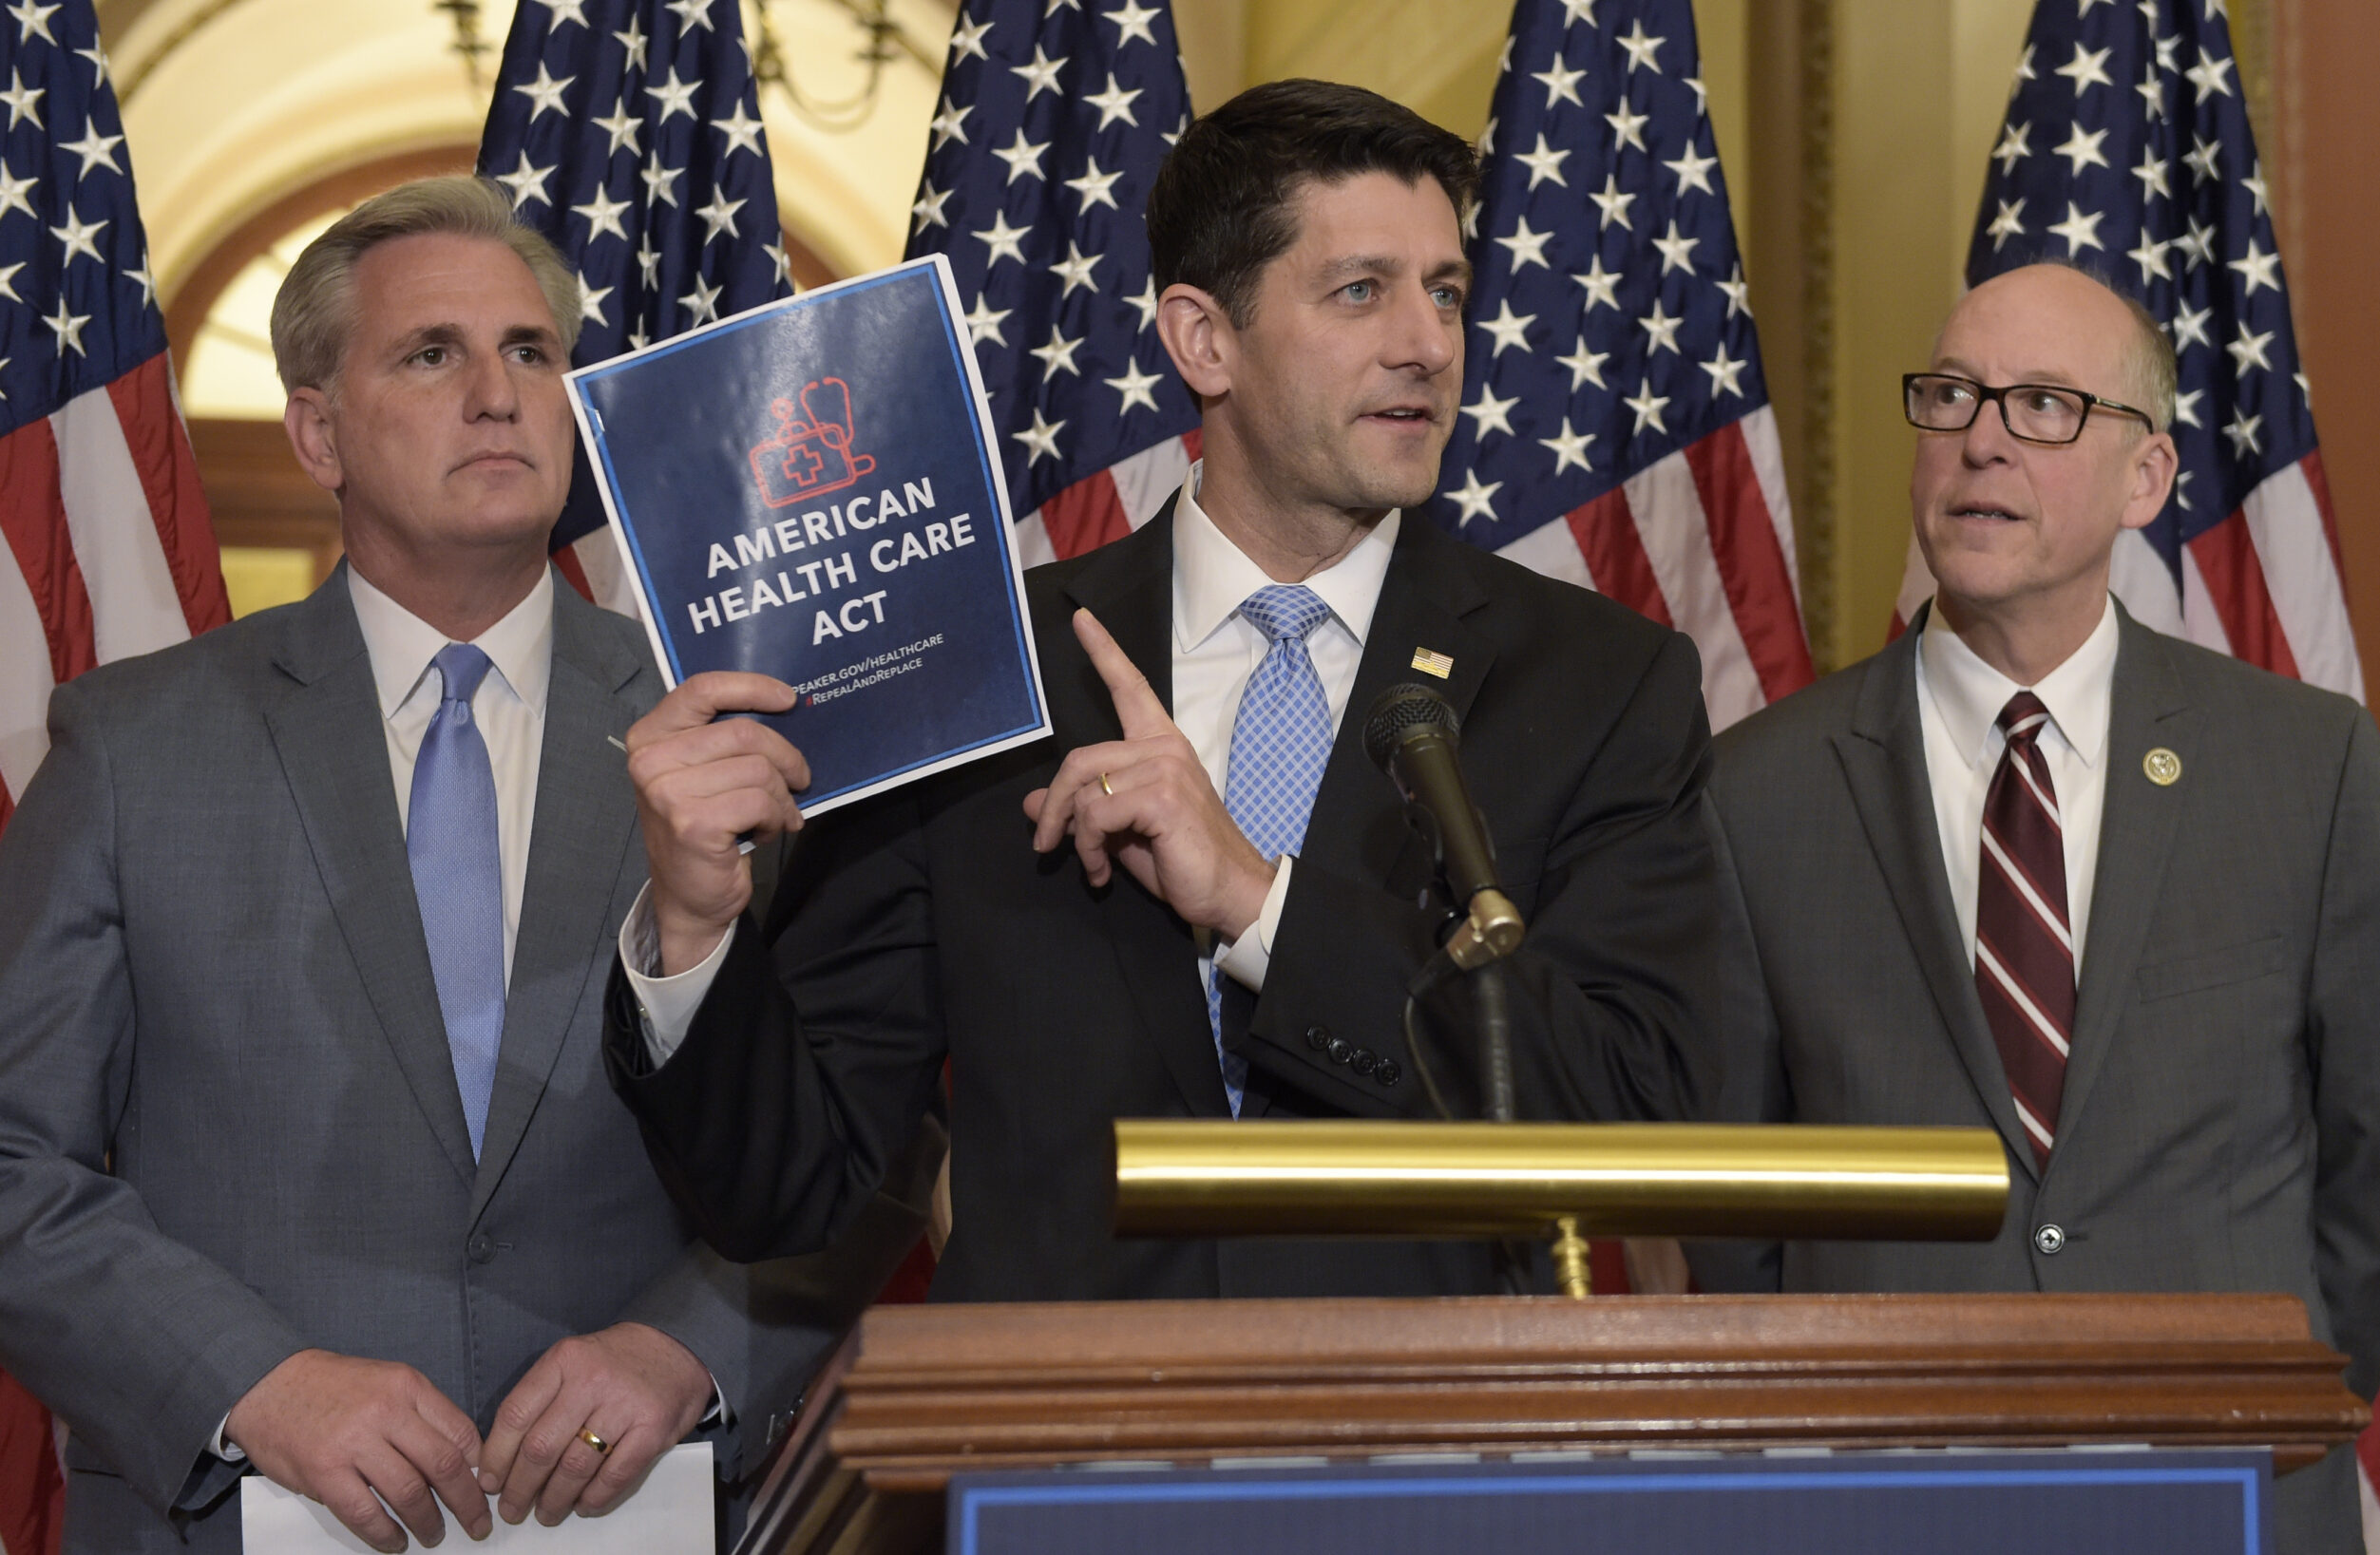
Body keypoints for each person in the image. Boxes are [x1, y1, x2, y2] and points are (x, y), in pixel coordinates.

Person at [605, 79, 1718, 1300]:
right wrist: (694, 930)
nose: (1429, 344)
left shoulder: (1598, 682)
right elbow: (786, 1188)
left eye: (1444, 291)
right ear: (1202, 340)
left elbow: (1650, 1108)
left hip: (1425, 1409)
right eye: (1361, 290)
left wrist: (1256, 904)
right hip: (1056, 1412)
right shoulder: (980, 668)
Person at [0, 178, 909, 1555]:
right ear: (319, 433)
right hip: (236, 1519)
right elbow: (15, 1156)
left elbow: (876, 1126)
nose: (497, 395)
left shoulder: (747, 734)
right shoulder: (132, 746)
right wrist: (250, 1384)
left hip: (646, 1514)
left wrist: (690, 1348)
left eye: (531, 352)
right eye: (432, 355)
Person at [1692, 259, 2380, 1552]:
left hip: (2227, 1480)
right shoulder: (1756, 790)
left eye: (2043, 405)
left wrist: (2283, 1381)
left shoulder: (2301, 765)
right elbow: (1732, 1197)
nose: (1981, 439)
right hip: (1885, 1493)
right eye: (1952, 396)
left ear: (2146, 478)